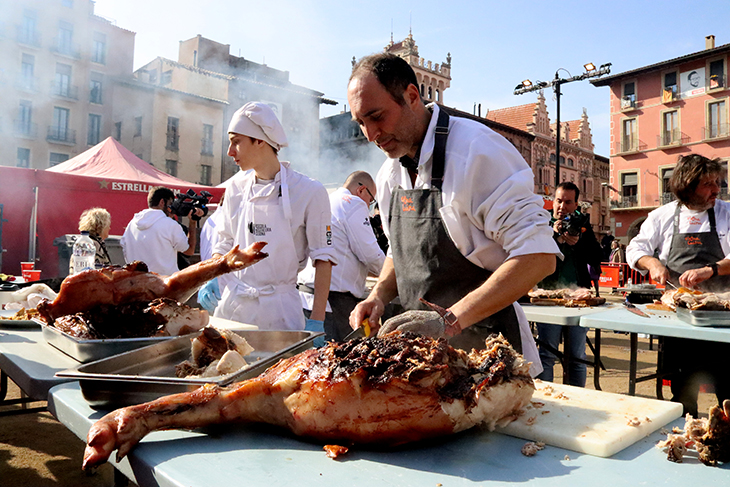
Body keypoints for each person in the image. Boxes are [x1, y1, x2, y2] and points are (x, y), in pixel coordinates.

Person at [346, 53, 559, 375]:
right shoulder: (390, 173)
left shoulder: (477, 151)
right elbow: (399, 251)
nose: (371, 135)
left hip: (490, 357)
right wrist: (378, 296)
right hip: (421, 364)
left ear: (412, 96)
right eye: (361, 123)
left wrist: (448, 320)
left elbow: (538, 256)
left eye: (377, 116)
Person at [202, 102, 336, 335]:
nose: (229, 152)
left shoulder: (309, 191)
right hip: (235, 307)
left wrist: (317, 321)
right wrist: (212, 274)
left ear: (260, 140)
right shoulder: (235, 187)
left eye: (236, 142)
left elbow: (323, 258)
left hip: (281, 311)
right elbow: (224, 241)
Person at [626, 153, 730, 416]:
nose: (717, 189)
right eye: (708, 184)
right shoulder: (662, 216)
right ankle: (685, 439)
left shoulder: (727, 213)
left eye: (717, 182)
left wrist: (711, 270)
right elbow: (636, 249)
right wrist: (654, 265)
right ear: (687, 185)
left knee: (729, 388)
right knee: (682, 391)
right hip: (679, 320)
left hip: (722, 316)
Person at [298, 171, 385, 341]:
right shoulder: (352, 203)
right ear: (361, 190)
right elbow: (370, 254)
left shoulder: (327, 200)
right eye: (371, 199)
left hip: (307, 299)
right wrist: (393, 274)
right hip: (333, 303)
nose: (368, 205)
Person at [535, 182, 603, 387]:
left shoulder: (583, 224)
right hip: (549, 297)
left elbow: (597, 256)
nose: (561, 206)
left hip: (578, 298)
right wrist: (553, 235)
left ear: (576, 205)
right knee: (547, 354)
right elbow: (533, 253)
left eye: (567, 202)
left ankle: (579, 401)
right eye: (558, 201)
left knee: (577, 357)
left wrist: (580, 238)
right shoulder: (542, 223)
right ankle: (547, 401)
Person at [121, 186, 203, 276]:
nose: (171, 208)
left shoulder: (131, 224)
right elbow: (189, 250)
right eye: (170, 204)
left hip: (136, 282)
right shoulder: (170, 225)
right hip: (164, 284)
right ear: (162, 202)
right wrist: (192, 223)